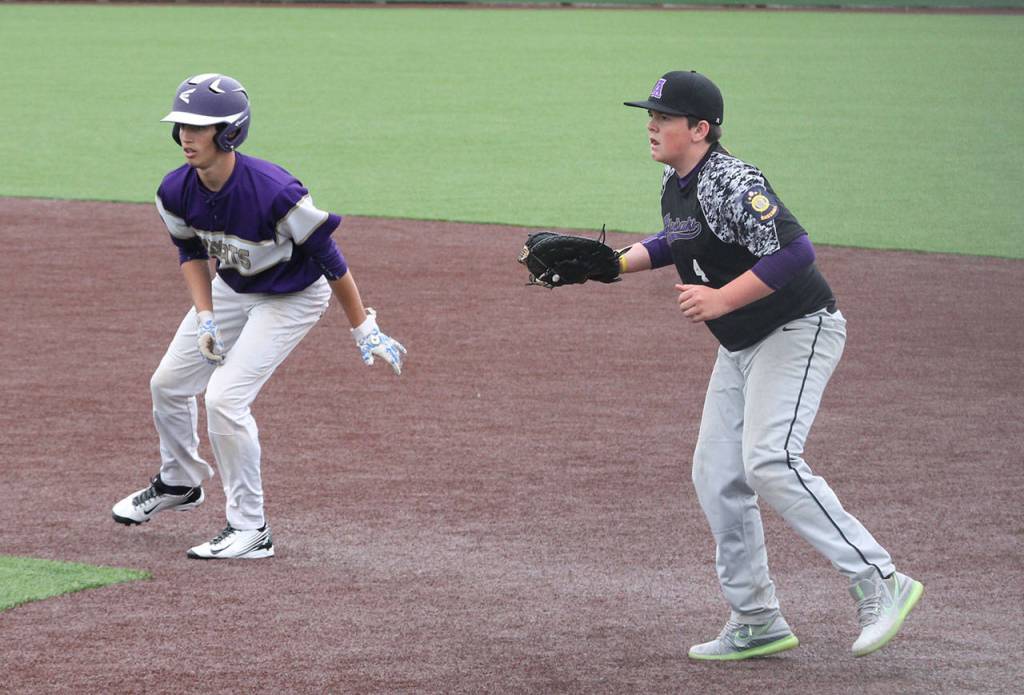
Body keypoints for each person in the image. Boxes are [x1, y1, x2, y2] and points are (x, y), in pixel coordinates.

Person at [617, 71, 923, 659]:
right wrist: (613, 264)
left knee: (769, 459)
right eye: (649, 115)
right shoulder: (677, 181)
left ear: (700, 129)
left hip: (798, 330)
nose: (651, 125)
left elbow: (796, 249)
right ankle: (757, 618)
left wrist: (722, 298)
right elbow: (675, 240)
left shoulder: (732, 179)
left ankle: (879, 578)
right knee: (716, 475)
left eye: (664, 117)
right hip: (742, 345)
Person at [111, 73, 406, 560]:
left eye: (201, 126)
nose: (187, 135)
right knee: (167, 384)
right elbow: (190, 254)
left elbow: (331, 260)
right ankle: (180, 482)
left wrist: (363, 326)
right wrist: (205, 317)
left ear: (230, 132)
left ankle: (251, 529)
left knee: (225, 398)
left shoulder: (275, 191)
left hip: (292, 296)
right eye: (182, 123)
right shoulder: (174, 191)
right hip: (231, 289)